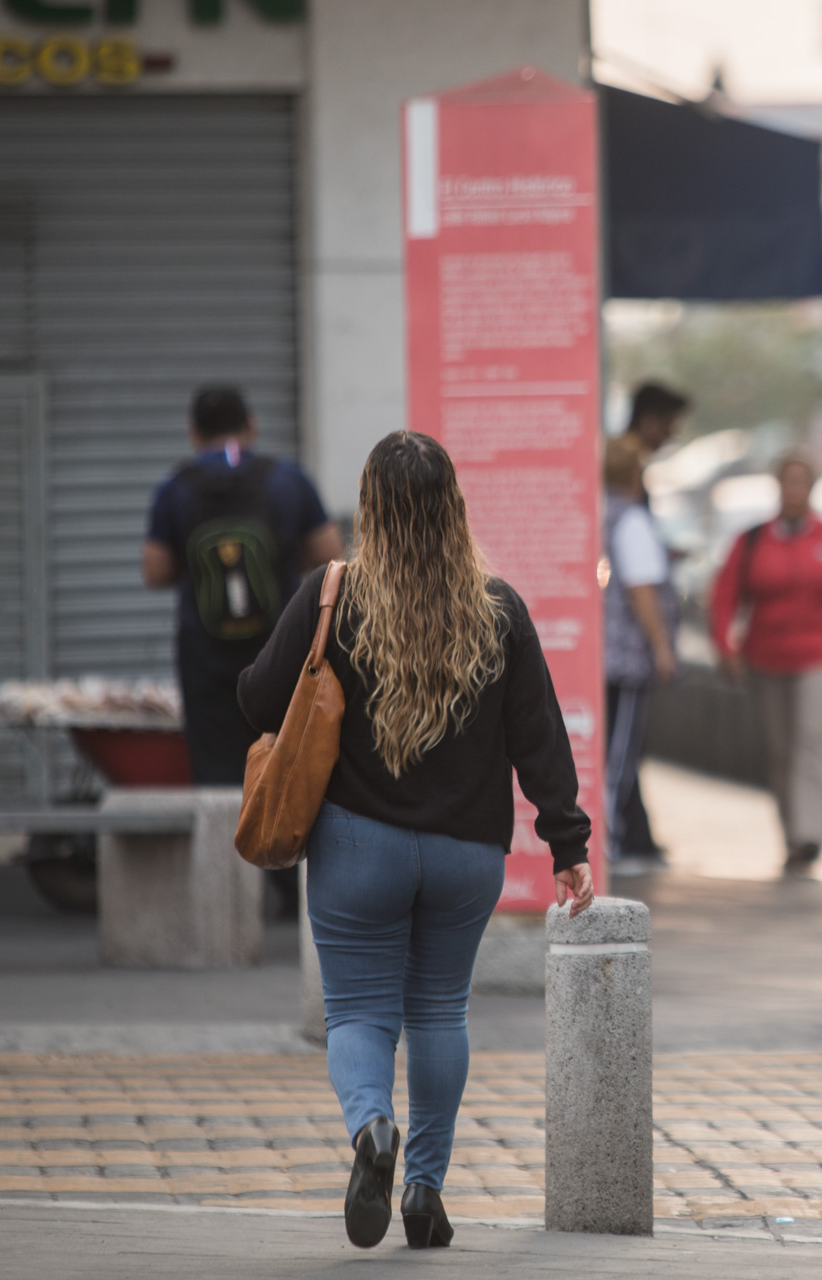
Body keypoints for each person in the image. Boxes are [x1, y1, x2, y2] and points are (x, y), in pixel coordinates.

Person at [236, 431, 594, 1251]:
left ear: (371, 507)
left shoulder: (332, 595)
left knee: (359, 1011)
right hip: (467, 852)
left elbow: (257, 699)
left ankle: (373, 1129)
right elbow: (539, 737)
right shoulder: (498, 608)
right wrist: (567, 845)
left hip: (358, 846)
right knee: (439, 1010)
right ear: (452, 506)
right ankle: (425, 1189)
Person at [143, 385, 340, 915]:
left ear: (193, 433)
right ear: (250, 426)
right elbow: (329, 554)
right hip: (280, 652)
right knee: (288, 759)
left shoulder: (176, 489)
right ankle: (289, 891)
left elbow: (155, 569)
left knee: (215, 773)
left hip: (204, 655)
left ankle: (226, 900)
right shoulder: (287, 480)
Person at [709, 452, 822, 873]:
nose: (794, 491)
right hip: (766, 656)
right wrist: (725, 647)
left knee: (812, 738)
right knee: (781, 750)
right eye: (787, 482)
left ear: (812, 488)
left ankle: (811, 833)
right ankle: (791, 836)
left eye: (801, 482)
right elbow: (724, 597)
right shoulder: (753, 540)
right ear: (777, 487)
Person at [602, 434, 679, 875]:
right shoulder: (631, 519)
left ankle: (610, 836)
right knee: (620, 754)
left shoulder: (595, 511)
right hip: (627, 658)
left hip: (598, 656)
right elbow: (641, 588)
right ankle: (609, 840)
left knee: (604, 746)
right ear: (635, 474)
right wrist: (662, 648)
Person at [625, 380, 690, 455]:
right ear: (648, 421)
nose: (670, 434)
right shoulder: (627, 456)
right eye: (667, 424)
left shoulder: (637, 455)